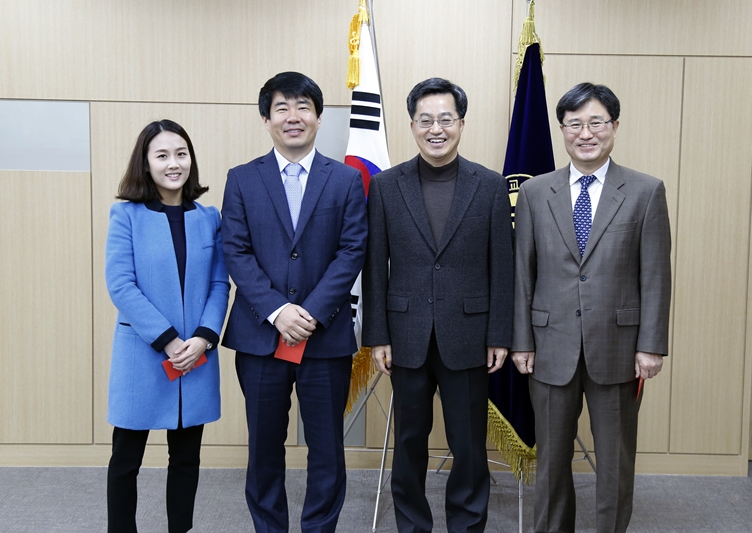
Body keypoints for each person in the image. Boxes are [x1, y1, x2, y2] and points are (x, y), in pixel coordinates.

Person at [511, 82, 672, 533]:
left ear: (615, 127)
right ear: (562, 130)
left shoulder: (645, 191)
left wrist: (651, 345)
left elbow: (655, 274)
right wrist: (521, 340)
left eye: (596, 122)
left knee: (616, 463)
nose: (586, 133)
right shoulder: (535, 192)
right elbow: (523, 272)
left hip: (618, 349)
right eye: (574, 124)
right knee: (550, 461)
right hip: (549, 347)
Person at [363, 77, 514, 533]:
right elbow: (375, 266)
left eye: (446, 119)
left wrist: (499, 334)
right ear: (412, 125)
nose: (436, 129)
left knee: (468, 444)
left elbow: (502, 266)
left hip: (469, 335)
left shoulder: (490, 186)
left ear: (461, 123)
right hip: (405, 335)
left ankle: (465, 526)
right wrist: (377, 335)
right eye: (425, 120)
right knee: (409, 442)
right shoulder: (386, 186)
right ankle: (412, 526)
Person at [220, 71, 368, 533]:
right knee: (264, 447)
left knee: (327, 449)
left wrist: (311, 312)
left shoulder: (346, 180)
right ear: (266, 119)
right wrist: (278, 310)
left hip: (325, 339)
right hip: (260, 337)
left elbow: (352, 250)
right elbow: (235, 251)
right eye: (281, 107)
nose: (293, 116)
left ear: (319, 118)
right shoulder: (242, 179)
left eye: (303, 107)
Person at [105, 119, 230, 533]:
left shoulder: (208, 217)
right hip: (144, 355)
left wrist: (204, 338)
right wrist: (169, 340)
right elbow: (121, 284)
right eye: (162, 155)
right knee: (126, 461)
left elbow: (219, 283)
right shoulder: (126, 215)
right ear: (145, 163)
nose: (173, 163)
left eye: (181, 154)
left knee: (187, 459)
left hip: (195, 355)